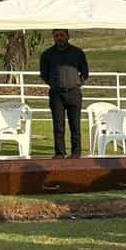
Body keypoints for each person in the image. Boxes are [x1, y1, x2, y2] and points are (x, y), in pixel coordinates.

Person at [39, 29, 89, 158]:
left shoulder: (77, 53)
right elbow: (44, 74)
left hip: (74, 93)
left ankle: (76, 153)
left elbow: (85, 72)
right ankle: (60, 153)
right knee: (58, 126)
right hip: (56, 94)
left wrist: (77, 83)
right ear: (53, 37)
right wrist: (54, 84)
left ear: (67, 36)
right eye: (56, 36)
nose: (59, 38)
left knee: (75, 125)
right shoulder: (47, 54)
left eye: (62, 35)